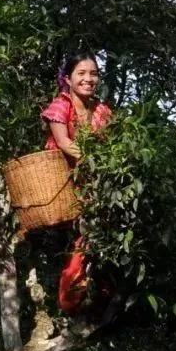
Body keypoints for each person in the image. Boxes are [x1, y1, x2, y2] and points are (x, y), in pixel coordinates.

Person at [41, 52, 113, 315]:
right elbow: (64, 143)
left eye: (93, 73)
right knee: (84, 240)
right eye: (81, 73)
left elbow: (111, 145)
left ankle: (100, 293)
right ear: (68, 79)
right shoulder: (61, 106)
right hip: (65, 184)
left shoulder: (102, 111)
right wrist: (94, 160)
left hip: (94, 184)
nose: (88, 79)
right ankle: (70, 299)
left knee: (98, 238)